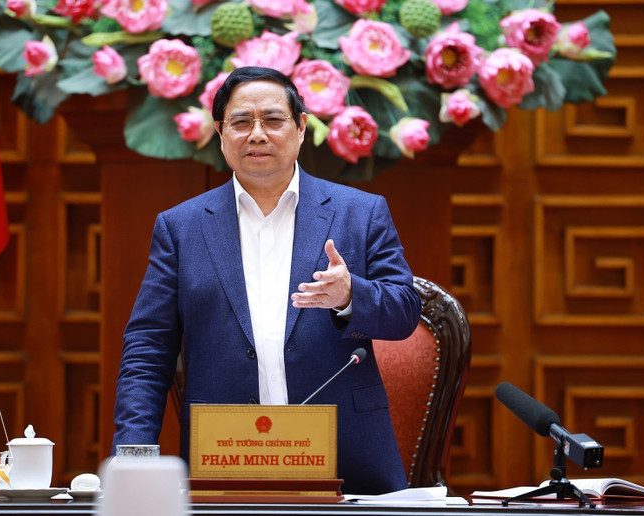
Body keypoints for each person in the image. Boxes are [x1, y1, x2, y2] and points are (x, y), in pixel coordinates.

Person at [112, 66, 422, 494]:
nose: (256, 134)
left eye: (273, 120)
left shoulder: (361, 213)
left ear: (300, 127)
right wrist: (133, 457)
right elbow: (148, 349)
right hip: (224, 459)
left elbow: (405, 314)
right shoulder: (181, 227)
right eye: (241, 122)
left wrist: (352, 295)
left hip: (346, 458)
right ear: (221, 134)